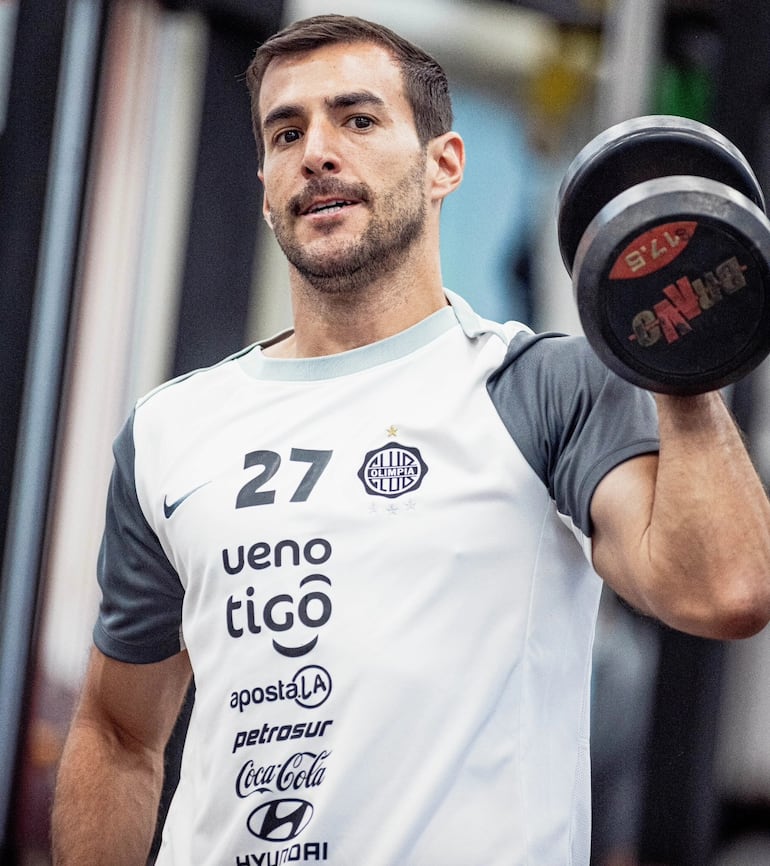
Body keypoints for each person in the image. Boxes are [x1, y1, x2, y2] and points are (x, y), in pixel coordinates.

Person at [51, 13, 770, 866]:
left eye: (357, 119)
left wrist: (677, 359)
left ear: (443, 166)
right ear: (266, 182)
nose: (317, 153)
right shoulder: (172, 430)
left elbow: (727, 590)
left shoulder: (542, 386)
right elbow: (118, 732)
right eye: (287, 133)